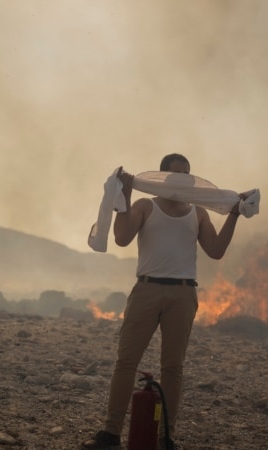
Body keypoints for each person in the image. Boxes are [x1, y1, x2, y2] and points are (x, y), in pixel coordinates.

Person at [81, 154, 249, 450]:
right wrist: (128, 192)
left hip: (183, 293)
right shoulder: (147, 206)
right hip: (147, 289)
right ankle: (110, 433)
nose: (180, 180)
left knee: (173, 367)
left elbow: (216, 250)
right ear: (163, 178)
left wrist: (234, 214)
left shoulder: (197, 213)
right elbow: (121, 238)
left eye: (186, 174)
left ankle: (166, 437)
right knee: (126, 362)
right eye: (175, 175)